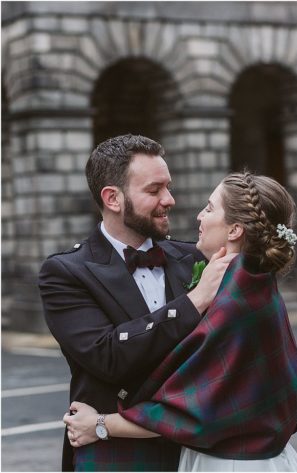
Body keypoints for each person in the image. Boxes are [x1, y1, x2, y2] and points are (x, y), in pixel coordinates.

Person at [62, 172, 297, 471]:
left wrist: (99, 424)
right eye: (155, 188)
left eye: (209, 208)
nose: (198, 215)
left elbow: (190, 411)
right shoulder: (250, 280)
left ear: (235, 230)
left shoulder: (238, 299)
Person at [39, 134, 236, 471]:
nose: (170, 199)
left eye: (168, 187)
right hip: (114, 451)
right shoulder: (66, 272)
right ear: (113, 198)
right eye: (154, 190)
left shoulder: (195, 259)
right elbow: (109, 357)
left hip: (199, 448)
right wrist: (194, 301)